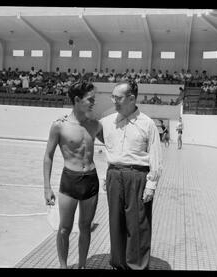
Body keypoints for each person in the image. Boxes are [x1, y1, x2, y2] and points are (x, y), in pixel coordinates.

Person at [99, 80, 163, 270]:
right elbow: (86, 129)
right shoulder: (107, 121)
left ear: (132, 98)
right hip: (114, 177)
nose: (114, 101)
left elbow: (156, 158)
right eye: (113, 97)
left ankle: (136, 266)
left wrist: (151, 185)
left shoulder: (147, 124)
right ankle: (118, 263)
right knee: (116, 223)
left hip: (137, 177)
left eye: (117, 98)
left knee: (138, 226)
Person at [43, 80, 103, 269]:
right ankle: (63, 266)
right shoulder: (59, 126)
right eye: (90, 99)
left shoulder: (95, 125)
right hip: (70, 179)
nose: (94, 102)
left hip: (91, 180)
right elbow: (48, 156)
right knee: (64, 229)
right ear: (77, 100)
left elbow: (114, 143)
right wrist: (47, 187)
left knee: (85, 227)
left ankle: (82, 266)